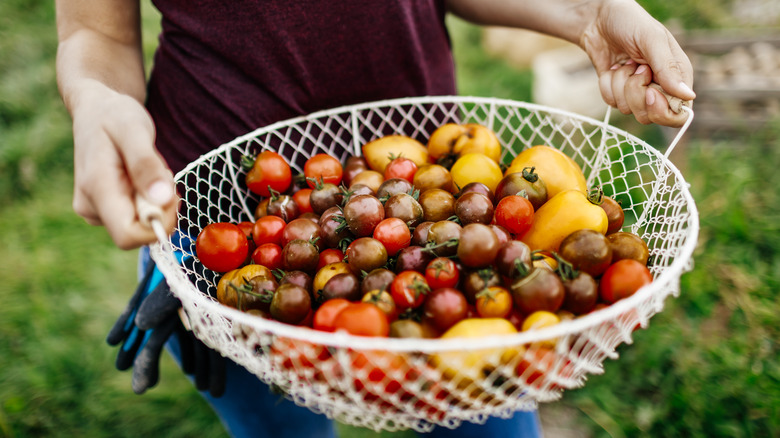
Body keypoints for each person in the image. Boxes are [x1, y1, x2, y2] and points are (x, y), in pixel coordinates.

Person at [55, 0, 695, 437]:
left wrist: (589, 12)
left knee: (488, 417)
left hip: (437, 184)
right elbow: (96, 32)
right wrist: (93, 99)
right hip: (224, 215)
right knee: (282, 428)